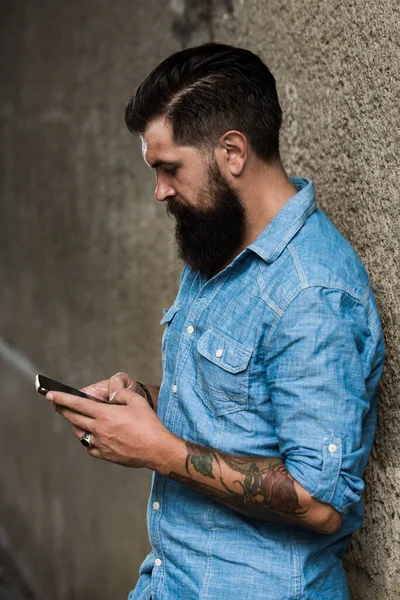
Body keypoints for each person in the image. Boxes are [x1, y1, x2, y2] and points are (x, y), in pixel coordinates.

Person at [46, 43, 386, 600]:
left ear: (232, 152)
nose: (159, 191)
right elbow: (242, 410)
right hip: (170, 579)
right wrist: (146, 405)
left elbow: (322, 501)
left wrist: (158, 450)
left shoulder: (312, 292)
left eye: (168, 168)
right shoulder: (217, 246)